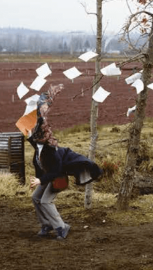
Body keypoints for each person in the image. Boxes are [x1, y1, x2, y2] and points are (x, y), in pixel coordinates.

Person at [27, 86, 102, 240]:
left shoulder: (50, 151)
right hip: (48, 176)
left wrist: (40, 180)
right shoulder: (38, 145)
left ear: (42, 137)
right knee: (35, 198)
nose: (31, 134)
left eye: (34, 134)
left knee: (46, 201)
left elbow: (56, 170)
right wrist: (47, 99)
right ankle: (46, 224)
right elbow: (39, 119)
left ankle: (62, 227)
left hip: (58, 177)